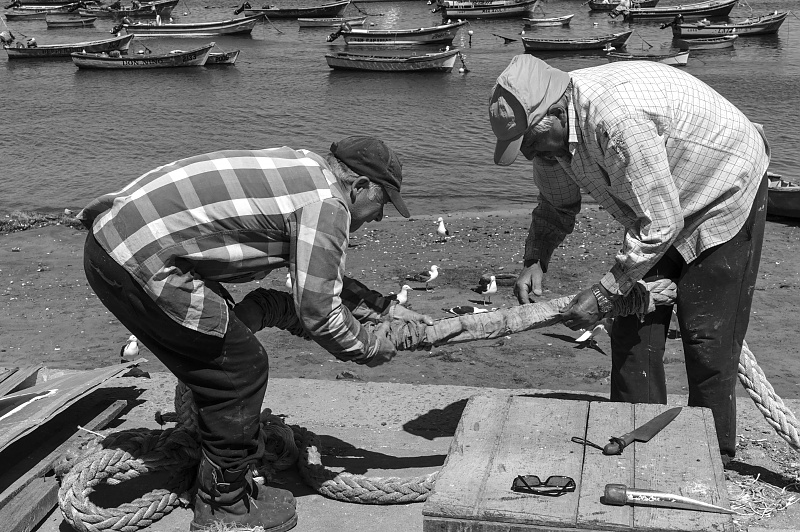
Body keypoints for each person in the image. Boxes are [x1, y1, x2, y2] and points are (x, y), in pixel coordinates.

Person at [78, 136, 433, 532]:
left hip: (109, 244)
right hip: (140, 261)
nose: (380, 217)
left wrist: (385, 309)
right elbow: (319, 312)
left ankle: (221, 473)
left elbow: (319, 274)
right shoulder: (327, 207)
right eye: (382, 203)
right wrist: (369, 347)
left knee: (218, 360)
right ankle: (223, 504)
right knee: (240, 371)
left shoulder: (308, 172)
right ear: (360, 186)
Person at [489, 55, 770, 462]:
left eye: (529, 142)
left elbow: (660, 225)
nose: (529, 154)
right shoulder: (550, 145)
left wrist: (604, 293)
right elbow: (556, 203)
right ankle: (637, 439)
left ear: (555, 114)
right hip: (659, 204)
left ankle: (712, 455)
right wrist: (537, 258)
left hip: (723, 186)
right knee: (633, 326)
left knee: (706, 335)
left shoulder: (616, 122)